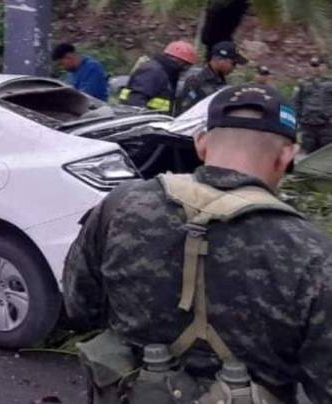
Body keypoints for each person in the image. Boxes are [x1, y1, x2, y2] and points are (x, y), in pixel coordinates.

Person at [63, 84, 332, 403]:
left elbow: (79, 308)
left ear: (201, 142)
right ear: (287, 156)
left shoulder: (119, 206)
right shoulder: (312, 252)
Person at [119, 40, 198, 113]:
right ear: (178, 61)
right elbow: (136, 101)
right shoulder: (153, 71)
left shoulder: (166, 73)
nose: (186, 69)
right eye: (186, 65)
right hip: (144, 123)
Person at [176, 41, 247, 114]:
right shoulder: (197, 80)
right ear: (220, 59)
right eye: (233, 63)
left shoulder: (219, 80)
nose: (234, 68)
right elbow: (185, 111)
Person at [294, 57, 332, 154]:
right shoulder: (303, 83)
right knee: (308, 155)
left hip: (326, 126)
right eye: (313, 66)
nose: (316, 68)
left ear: (324, 67)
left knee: (325, 155)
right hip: (308, 126)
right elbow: (296, 103)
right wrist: (298, 121)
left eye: (318, 65)